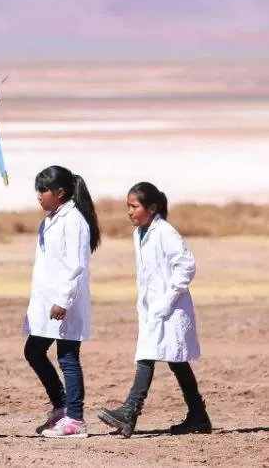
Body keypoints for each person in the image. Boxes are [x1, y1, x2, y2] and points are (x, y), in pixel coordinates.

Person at [97, 182, 212, 437]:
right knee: (176, 360)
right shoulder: (140, 233)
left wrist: (166, 300)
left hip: (171, 308)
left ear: (152, 207)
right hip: (153, 309)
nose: (129, 211)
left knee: (147, 356)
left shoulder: (165, 232)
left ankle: (129, 412)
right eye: (127, 206)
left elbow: (186, 266)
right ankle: (198, 416)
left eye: (134, 206)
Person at [24, 165, 100, 439]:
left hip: (65, 301)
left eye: (42, 191)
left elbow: (76, 265)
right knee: (33, 351)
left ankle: (76, 419)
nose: (38, 197)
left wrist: (64, 300)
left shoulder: (74, 220)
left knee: (68, 357)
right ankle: (61, 406)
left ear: (60, 192)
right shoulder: (50, 220)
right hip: (47, 301)